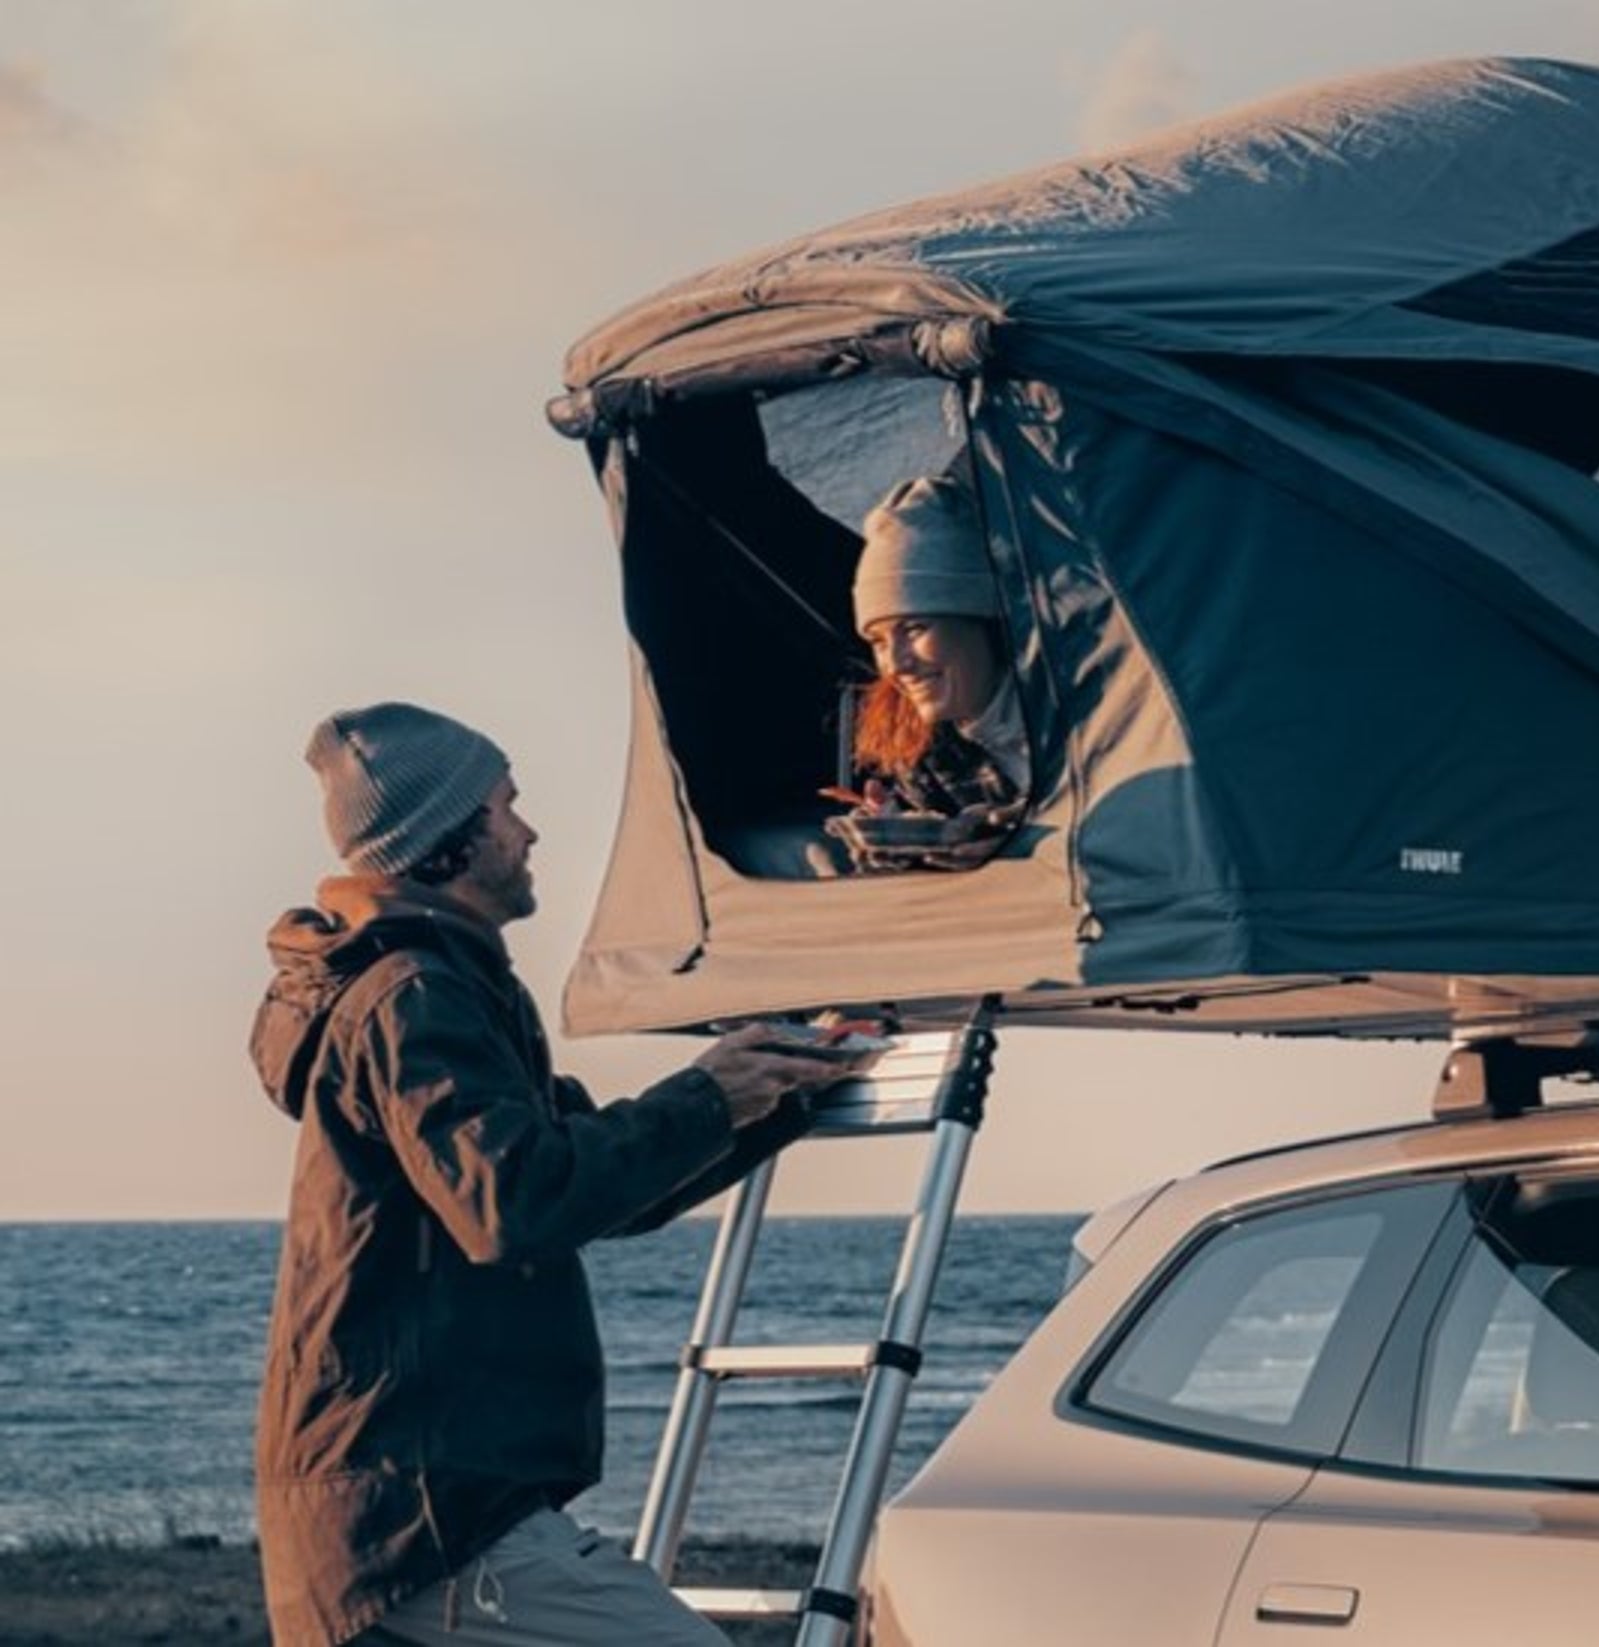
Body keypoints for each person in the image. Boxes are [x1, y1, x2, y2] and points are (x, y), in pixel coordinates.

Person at [253, 702, 867, 1646]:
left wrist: (773, 1092)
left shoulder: (428, 986)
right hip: (424, 1519)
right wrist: (711, 1095)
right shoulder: (416, 994)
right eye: (507, 806)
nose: (529, 829)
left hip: (389, 1514)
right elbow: (517, 1199)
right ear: (448, 843)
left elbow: (587, 1179)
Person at [827, 473, 1028, 872]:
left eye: (915, 628)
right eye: (879, 642)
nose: (897, 665)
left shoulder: (1084, 706)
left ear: (982, 617)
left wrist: (1024, 843)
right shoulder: (922, 754)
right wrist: (901, 845)